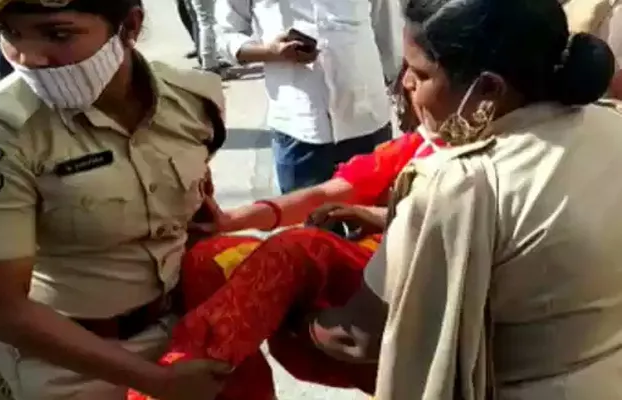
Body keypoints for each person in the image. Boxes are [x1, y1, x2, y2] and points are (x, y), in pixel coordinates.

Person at [138, 0, 622, 399]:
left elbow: (354, 340)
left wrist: (286, 325)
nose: (406, 86)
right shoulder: (609, 125)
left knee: (278, 263)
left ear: (488, 89)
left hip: (506, 385)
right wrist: (381, 217)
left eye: (420, 73)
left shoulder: (459, 182)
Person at [0, 0, 235, 399]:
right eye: (9, 33)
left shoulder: (194, 98)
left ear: (129, 25)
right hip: (67, 370)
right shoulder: (0, 132)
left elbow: (195, 211)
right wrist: (156, 383)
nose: (29, 58)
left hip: (184, 338)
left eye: (57, 34)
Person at [216, 0, 403, 193]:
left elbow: (388, 31)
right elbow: (225, 34)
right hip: (299, 129)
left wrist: (403, 90)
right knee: (306, 220)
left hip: (367, 120)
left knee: (376, 217)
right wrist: (270, 52)